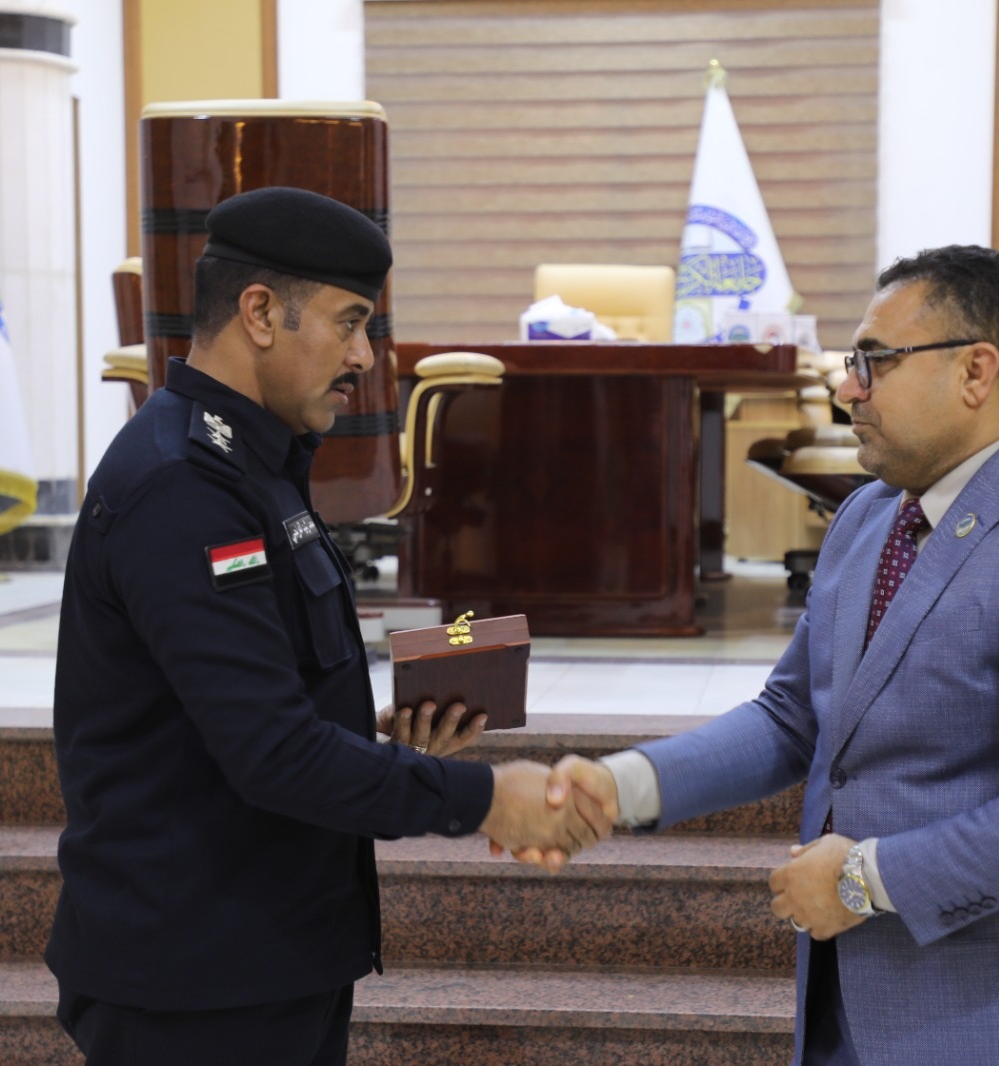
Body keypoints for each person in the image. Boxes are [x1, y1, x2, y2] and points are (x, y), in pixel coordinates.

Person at [537, 245, 999, 1065]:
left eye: (875, 361)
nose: (848, 389)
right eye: (852, 363)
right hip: (854, 1008)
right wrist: (624, 785)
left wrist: (863, 880)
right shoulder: (871, 517)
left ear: (975, 371)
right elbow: (793, 717)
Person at [45, 186, 608, 1065]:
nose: (363, 358)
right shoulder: (184, 485)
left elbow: (245, 708)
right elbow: (270, 751)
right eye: (349, 324)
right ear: (260, 313)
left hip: (264, 951)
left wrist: (374, 742)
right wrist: (488, 799)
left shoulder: (254, 464)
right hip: (193, 979)